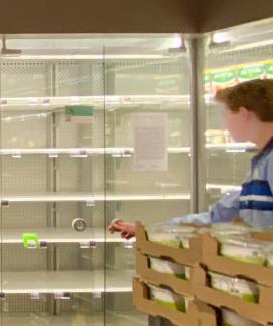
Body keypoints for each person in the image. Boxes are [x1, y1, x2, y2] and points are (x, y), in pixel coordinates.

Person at [110, 78, 273, 238]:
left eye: (226, 115)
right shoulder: (261, 164)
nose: (224, 124)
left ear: (244, 114)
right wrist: (149, 231)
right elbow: (218, 217)